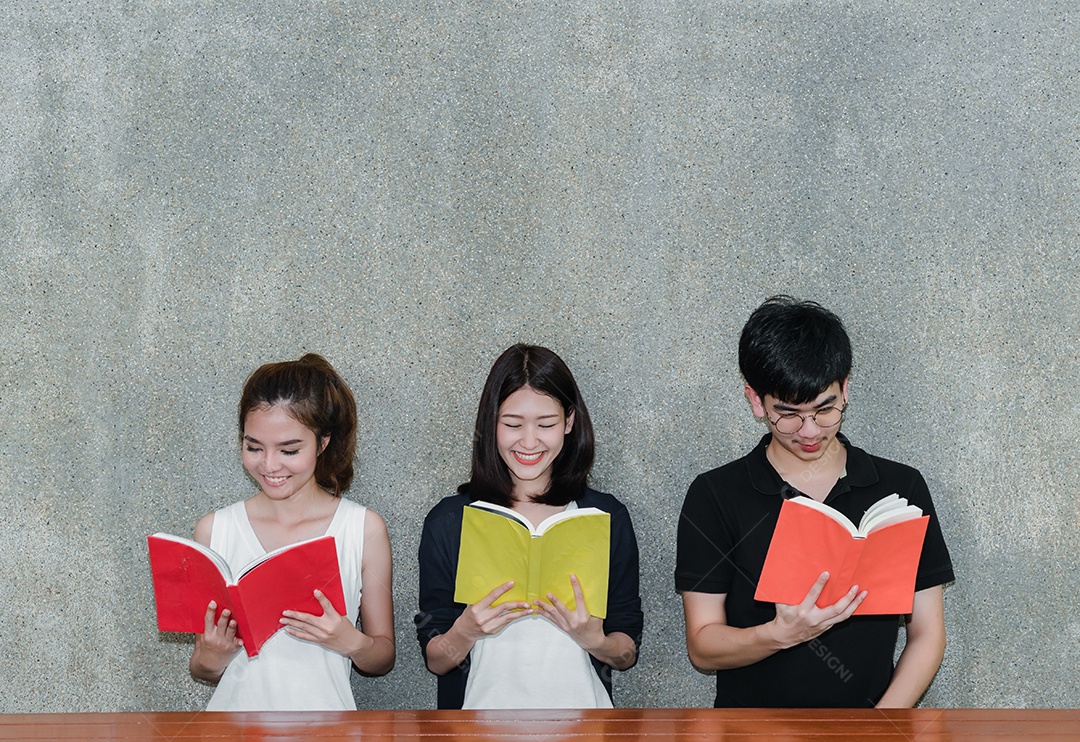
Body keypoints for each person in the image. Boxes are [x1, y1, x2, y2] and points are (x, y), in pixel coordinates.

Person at [675, 297, 954, 708]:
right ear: (756, 401)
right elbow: (702, 645)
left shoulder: (901, 487)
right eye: (787, 414)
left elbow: (928, 632)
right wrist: (779, 634)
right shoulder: (715, 494)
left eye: (825, 409)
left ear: (845, 388)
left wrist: (879, 726)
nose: (809, 431)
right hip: (751, 733)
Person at [415, 344, 643, 709]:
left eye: (546, 424)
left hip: (584, 723)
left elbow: (626, 653)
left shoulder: (604, 516)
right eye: (513, 424)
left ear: (569, 422)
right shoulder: (450, 520)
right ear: (491, 423)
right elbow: (437, 660)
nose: (529, 441)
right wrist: (467, 629)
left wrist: (594, 640)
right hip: (477, 726)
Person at [188, 353, 395, 710]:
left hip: (329, 731)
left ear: (323, 442)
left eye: (289, 449)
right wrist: (211, 654)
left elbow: (383, 655)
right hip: (231, 731)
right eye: (254, 447)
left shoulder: (362, 528)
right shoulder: (214, 530)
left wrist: (351, 642)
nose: (269, 465)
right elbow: (204, 669)